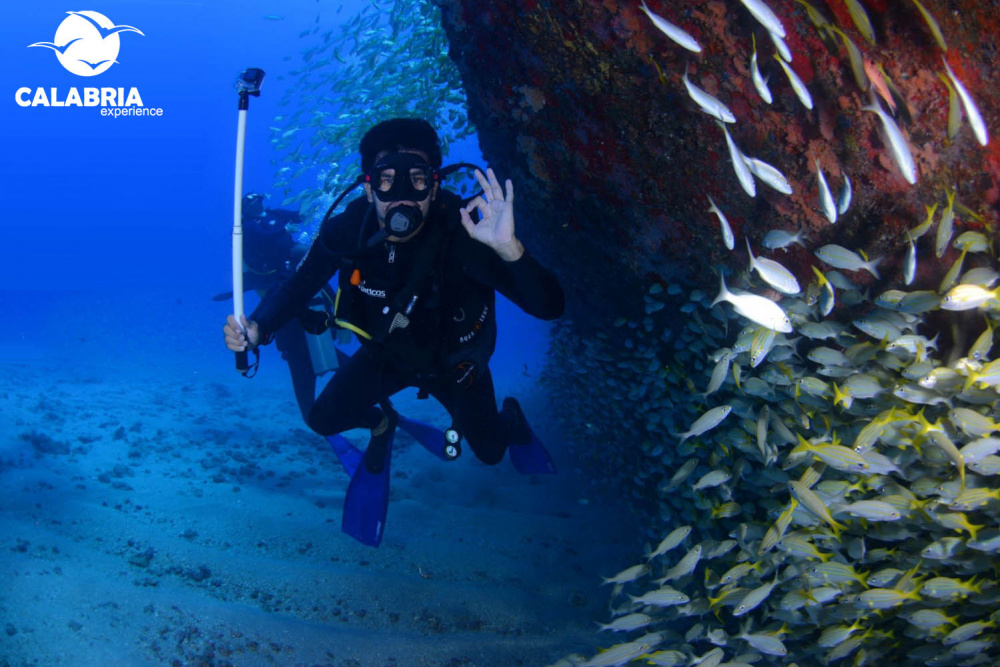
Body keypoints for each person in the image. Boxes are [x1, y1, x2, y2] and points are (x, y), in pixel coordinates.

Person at [223, 118, 564, 545]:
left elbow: (549, 307)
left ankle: (509, 417)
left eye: (417, 179)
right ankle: (382, 422)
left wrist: (509, 249)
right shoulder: (349, 229)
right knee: (322, 418)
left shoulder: (465, 231)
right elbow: (298, 285)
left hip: (455, 365)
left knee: (492, 452)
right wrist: (259, 327)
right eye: (387, 180)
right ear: (368, 189)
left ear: (434, 187)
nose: (402, 196)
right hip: (386, 357)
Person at [216, 194, 342, 423]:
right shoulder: (248, 227)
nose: (258, 206)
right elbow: (265, 236)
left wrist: (311, 211)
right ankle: (316, 414)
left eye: (259, 201)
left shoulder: (272, 215)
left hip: (302, 290)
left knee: (323, 351)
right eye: (252, 204)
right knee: (299, 356)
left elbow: (297, 216)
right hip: (279, 286)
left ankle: (368, 404)